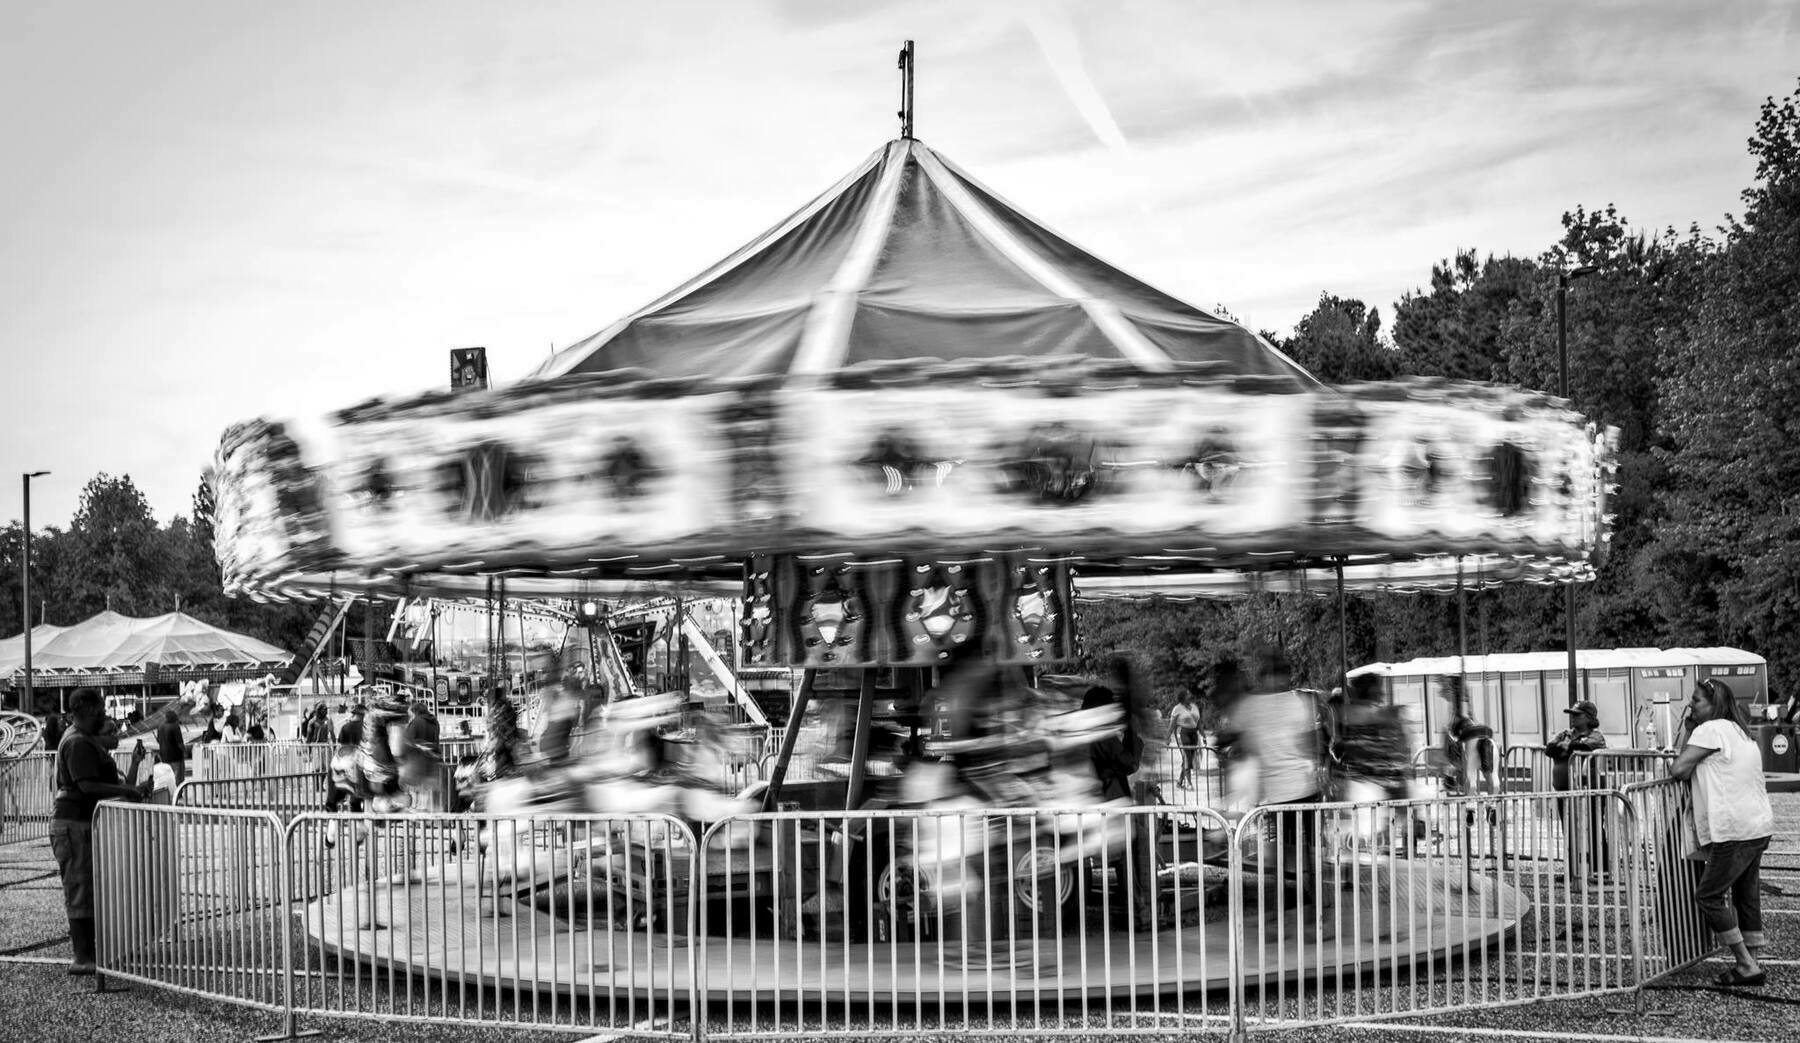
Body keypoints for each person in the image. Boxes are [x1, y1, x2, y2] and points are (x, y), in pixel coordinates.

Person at [1220, 646, 1332, 940]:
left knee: (1276, 862)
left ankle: (1279, 920)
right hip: (1301, 788)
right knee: (1304, 857)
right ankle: (1313, 916)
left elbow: (1229, 736)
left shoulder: (1251, 706)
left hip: (1277, 795)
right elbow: (1313, 745)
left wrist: (1239, 749)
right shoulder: (1299, 702)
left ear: (1264, 674)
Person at [1669, 678, 1774, 987]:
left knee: (1708, 895)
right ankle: (1752, 959)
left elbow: (1678, 769)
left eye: (1696, 701)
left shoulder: (1710, 730)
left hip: (1733, 828)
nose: (1690, 706)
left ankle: (1745, 964)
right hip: (1758, 824)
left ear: (1713, 705)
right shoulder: (1740, 731)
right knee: (1746, 893)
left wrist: (1688, 729)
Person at [51, 688, 152, 975]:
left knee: (87, 886)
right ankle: (82, 957)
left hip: (81, 824)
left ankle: (91, 953)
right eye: (100, 710)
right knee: (79, 887)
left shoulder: (82, 740)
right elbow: (87, 787)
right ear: (87, 709)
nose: (104, 716)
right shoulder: (77, 742)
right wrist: (128, 790)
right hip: (73, 825)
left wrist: (129, 783)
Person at [1547, 699, 1611, 884]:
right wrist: (1565, 748)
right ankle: (1572, 870)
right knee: (1568, 830)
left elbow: (1582, 749)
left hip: (1589, 790)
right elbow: (1550, 749)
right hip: (1565, 790)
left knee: (1594, 828)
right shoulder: (1565, 734)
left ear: (1589, 717)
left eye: (1577, 715)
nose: (1573, 718)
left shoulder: (1596, 737)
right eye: (1572, 715)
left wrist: (1568, 748)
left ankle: (1602, 871)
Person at [399, 700, 443, 810]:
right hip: (432, 760)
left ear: (414, 712)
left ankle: (416, 810)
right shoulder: (435, 722)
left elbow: (407, 741)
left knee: (409, 784)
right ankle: (426, 812)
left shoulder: (416, 722)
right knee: (426, 788)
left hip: (416, 760)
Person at [1169, 690, 1203, 789]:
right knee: (1187, 757)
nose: (1190, 695)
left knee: (1188, 758)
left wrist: (1202, 736)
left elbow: (1198, 723)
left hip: (1193, 734)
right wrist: (1167, 738)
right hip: (1181, 734)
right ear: (1183, 697)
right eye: (1188, 694)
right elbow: (1171, 725)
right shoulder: (1177, 709)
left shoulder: (1194, 707)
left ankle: (1180, 781)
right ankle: (1189, 783)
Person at [154, 708, 188, 785]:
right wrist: (185, 752)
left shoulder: (160, 726)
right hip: (176, 756)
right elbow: (180, 743)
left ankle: (170, 793)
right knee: (178, 777)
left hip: (164, 756)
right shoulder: (175, 726)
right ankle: (178, 794)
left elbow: (158, 740)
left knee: (168, 776)